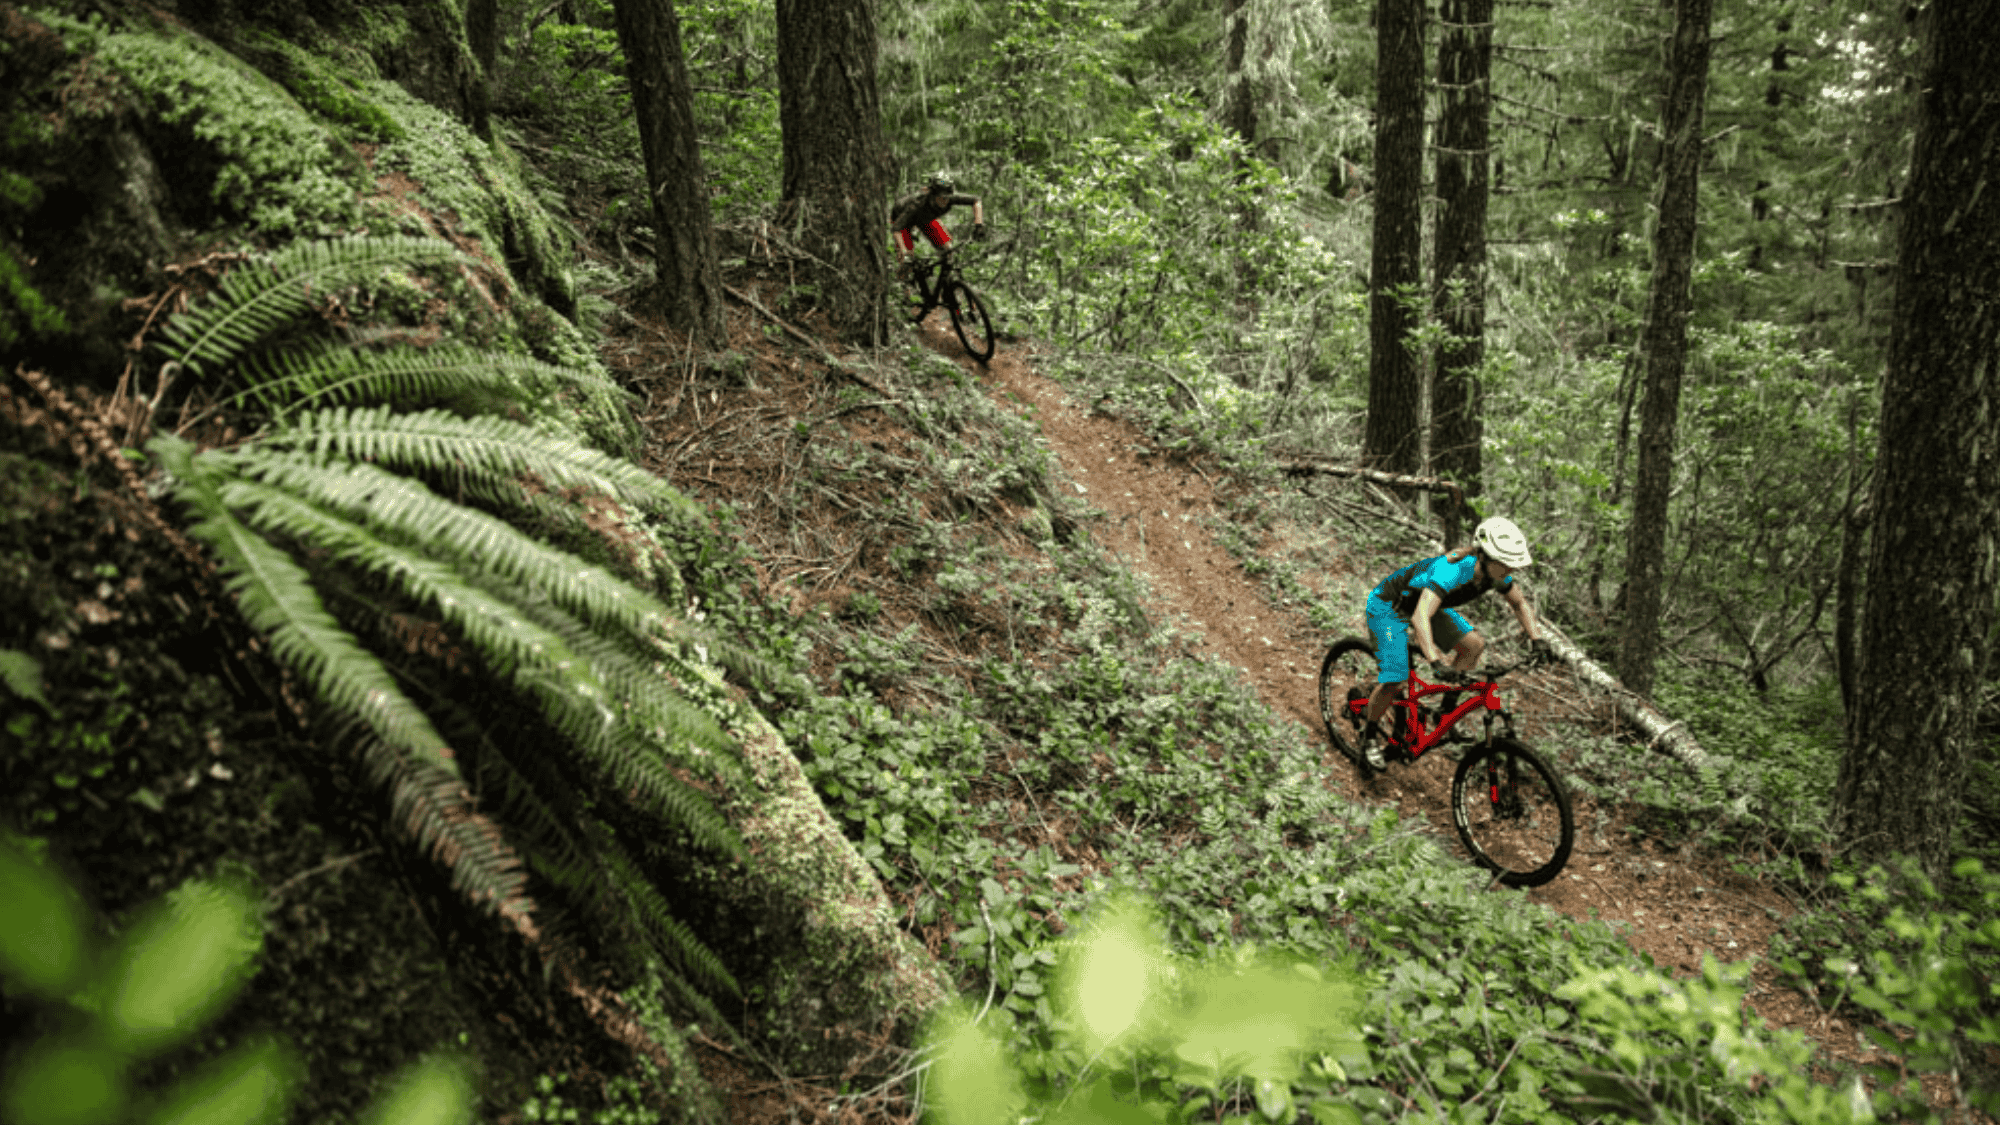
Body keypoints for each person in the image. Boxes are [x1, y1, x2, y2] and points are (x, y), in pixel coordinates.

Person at [1355, 515, 1554, 770]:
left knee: (1473, 646)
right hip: (1389, 606)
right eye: (1506, 563)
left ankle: (1445, 715)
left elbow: (1519, 603)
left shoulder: (1496, 574)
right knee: (1395, 679)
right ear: (1484, 556)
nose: (1511, 570)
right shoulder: (1452, 570)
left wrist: (1537, 639)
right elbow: (1420, 616)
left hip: (1424, 606)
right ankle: (1368, 737)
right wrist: (1435, 660)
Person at [890, 171, 986, 278]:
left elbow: (976, 201)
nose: (945, 201)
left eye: (947, 197)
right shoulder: (916, 205)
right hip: (904, 220)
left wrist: (979, 225)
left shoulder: (951, 198)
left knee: (947, 249)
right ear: (932, 195)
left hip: (927, 219)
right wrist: (903, 251)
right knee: (907, 260)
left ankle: (946, 284)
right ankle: (903, 287)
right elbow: (896, 229)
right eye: (941, 198)